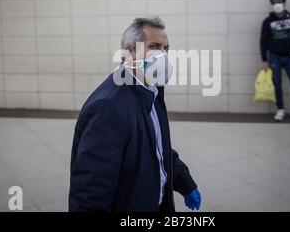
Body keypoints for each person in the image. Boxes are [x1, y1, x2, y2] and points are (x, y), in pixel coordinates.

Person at [69, 16, 201, 212]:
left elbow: (156, 147)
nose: (163, 55)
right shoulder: (108, 107)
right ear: (130, 52)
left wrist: (184, 181)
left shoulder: (152, 92)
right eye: (155, 46)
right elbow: (92, 189)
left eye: (166, 48)